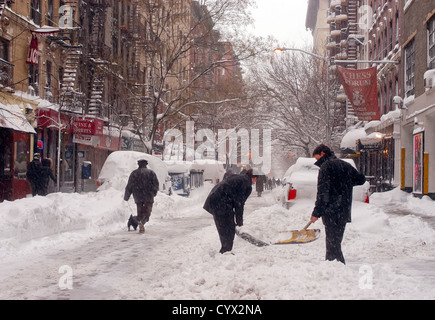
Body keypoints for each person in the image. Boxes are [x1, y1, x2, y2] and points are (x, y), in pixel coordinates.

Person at [310, 144, 366, 264]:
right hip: (344, 210)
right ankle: (336, 265)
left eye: (317, 158)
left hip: (331, 210)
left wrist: (317, 212)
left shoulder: (325, 167)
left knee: (332, 243)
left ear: (323, 154)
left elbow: (322, 193)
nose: (317, 162)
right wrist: (345, 183)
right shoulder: (345, 165)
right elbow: (360, 179)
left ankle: (334, 265)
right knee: (336, 241)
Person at [203, 169, 257, 254]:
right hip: (221, 203)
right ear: (254, 178)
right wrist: (239, 222)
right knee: (228, 229)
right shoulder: (246, 184)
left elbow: (227, 177)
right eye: (256, 179)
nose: (255, 182)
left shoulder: (240, 178)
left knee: (226, 228)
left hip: (215, 200)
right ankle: (225, 251)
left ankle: (225, 250)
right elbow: (239, 204)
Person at [124, 159, 159, 233]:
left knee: (139, 213)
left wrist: (126, 196)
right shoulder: (151, 173)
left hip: (138, 196)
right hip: (148, 196)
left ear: (138, 164)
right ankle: (141, 223)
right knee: (147, 213)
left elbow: (129, 185)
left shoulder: (134, 173)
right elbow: (156, 184)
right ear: (146, 164)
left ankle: (138, 222)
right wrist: (153, 193)